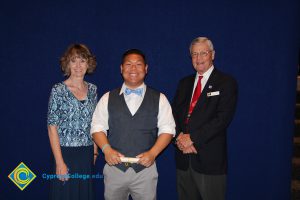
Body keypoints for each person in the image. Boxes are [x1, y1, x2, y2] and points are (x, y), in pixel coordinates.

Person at [91, 49, 175, 200]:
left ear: (146, 69)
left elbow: (168, 129)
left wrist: (153, 153)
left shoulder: (160, 98)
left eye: (138, 64)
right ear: (121, 68)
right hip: (114, 170)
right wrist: (106, 149)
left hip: (145, 171)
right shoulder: (107, 98)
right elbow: (97, 127)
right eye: (128, 64)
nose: (133, 69)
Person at [172, 37, 238, 200]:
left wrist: (192, 139)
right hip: (184, 159)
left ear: (213, 55)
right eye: (194, 54)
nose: (199, 58)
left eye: (203, 53)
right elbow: (172, 115)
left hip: (210, 161)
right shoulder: (184, 83)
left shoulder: (226, 82)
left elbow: (222, 119)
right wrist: (180, 138)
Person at [47, 44, 98, 200]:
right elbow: (52, 127)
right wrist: (59, 162)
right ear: (67, 64)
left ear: (88, 64)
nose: (78, 66)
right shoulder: (58, 90)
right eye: (73, 61)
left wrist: (95, 151)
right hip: (65, 153)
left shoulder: (93, 89)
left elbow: (95, 123)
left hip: (86, 153)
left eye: (82, 61)